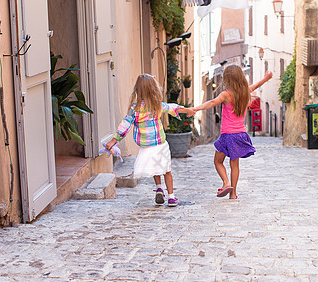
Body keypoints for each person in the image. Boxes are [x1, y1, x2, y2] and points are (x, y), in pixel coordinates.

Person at [105, 74, 195, 207]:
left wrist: (114, 140)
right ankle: (171, 196)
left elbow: (125, 125)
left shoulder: (134, 109)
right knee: (166, 169)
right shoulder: (157, 106)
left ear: (137, 90)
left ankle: (159, 188)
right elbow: (172, 108)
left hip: (146, 145)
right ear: (153, 89)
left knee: (155, 168)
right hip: (160, 144)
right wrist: (188, 109)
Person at [192, 66, 272, 199]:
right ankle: (233, 194)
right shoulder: (245, 92)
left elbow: (212, 102)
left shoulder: (226, 95)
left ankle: (226, 182)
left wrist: (196, 108)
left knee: (218, 161)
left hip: (227, 135)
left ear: (227, 79)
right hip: (241, 134)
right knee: (235, 165)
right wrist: (266, 78)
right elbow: (256, 85)